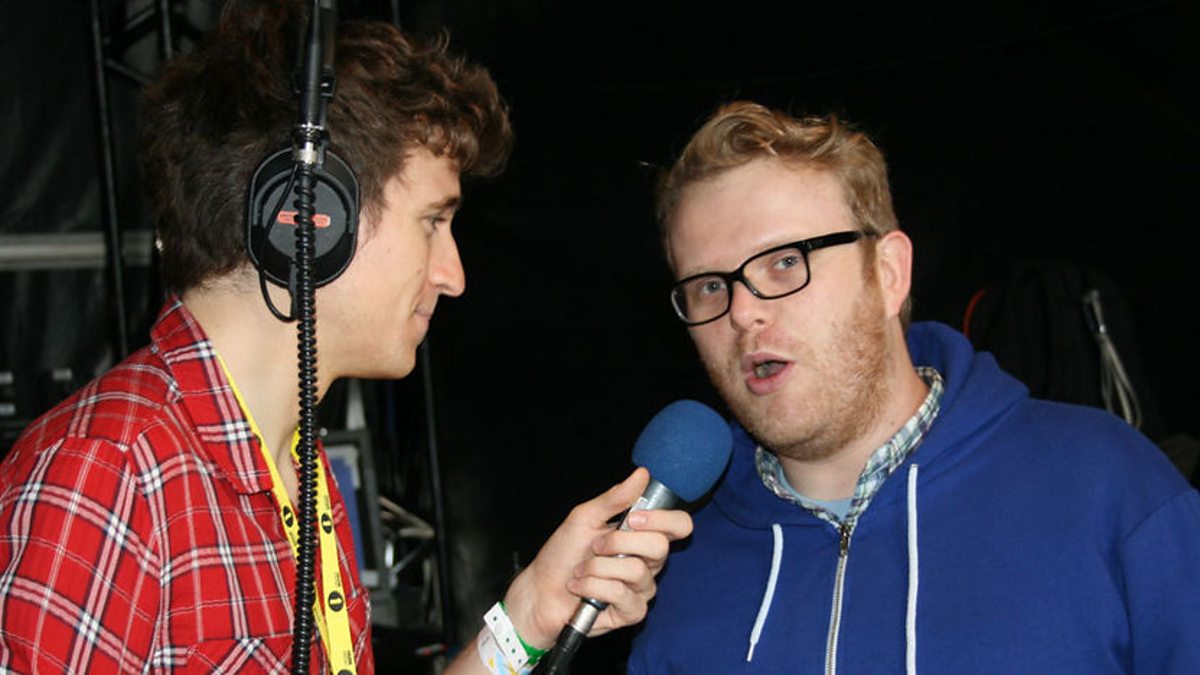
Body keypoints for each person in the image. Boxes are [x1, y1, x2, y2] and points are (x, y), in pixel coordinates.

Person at [0, 3, 690, 673]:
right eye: (432, 222)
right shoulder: (107, 474)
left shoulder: (299, 471)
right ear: (307, 217)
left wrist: (528, 616)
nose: (453, 276)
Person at [628, 101, 1200, 673]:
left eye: (784, 262)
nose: (741, 313)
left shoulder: (1108, 486)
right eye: (709, 286)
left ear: (888, 274)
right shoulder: (676, 570)